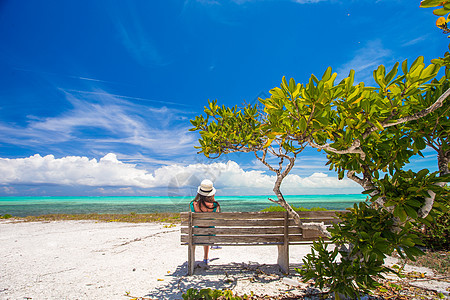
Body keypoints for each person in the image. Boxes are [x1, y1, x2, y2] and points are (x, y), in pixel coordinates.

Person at [189, 179, 221, 264]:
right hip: (210, 234)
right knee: (208, 229)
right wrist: (213, 199)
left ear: (199, 193)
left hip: (196, 234)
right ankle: (206, 258)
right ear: (212, 193)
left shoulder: (193, 204)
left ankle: (192, 258)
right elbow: (217, 217)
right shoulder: (215, 205)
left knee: (201, 229)